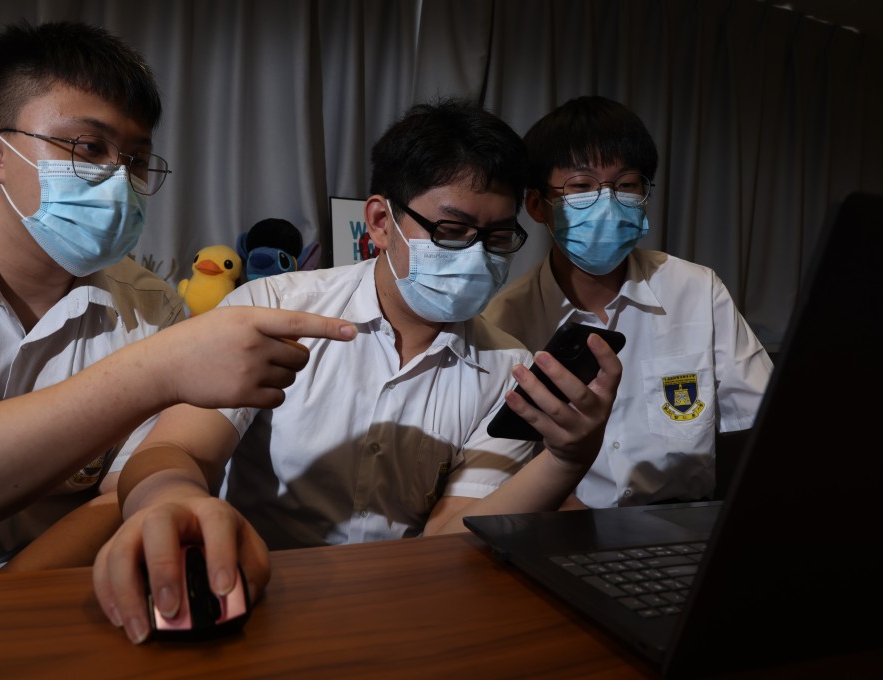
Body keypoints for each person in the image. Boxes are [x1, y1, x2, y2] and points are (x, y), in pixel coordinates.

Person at [0, 20, 356, 671]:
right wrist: (154, 371)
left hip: (56, 584)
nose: (117, 179)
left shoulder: (149, 303)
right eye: (88, 147)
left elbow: (121, 491)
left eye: (134, 159)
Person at [92, 98, 623, 645]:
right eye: (452, 230)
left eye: (498, 238)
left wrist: (566, 458)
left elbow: (449, 536)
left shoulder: (506, 367)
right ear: (381, 221)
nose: (476, 256)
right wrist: (178, 503)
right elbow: (176, 451)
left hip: (403, 612)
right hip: (254, 597)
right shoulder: (274, 306)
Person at [483, 95, 773, 509]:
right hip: (558, 528)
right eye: (581, 187)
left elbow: (764, 420)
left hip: (682, 524)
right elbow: (501, 468)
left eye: (625, 185)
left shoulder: (697, 290)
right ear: (536, 205)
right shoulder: (503, 320)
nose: (607, 202)